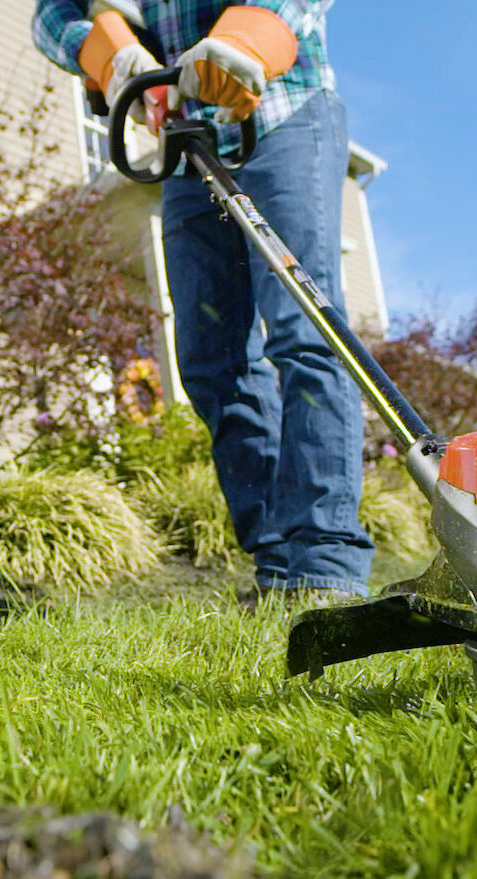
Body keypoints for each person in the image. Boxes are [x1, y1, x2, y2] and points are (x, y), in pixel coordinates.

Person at [32, 0, 374, 602]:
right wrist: (105, 53)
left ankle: (324, 564)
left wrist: (246, 37)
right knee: (212, 359)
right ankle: (274, 567)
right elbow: (49, 14)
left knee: (304, 330)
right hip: (182, 138)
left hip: (281, 110)